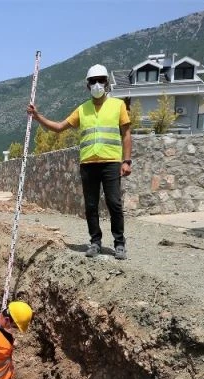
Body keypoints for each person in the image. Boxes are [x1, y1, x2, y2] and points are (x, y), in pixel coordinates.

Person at [27, 64, 132, 260]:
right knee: (90, 205)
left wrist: (127, 161)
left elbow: (126, 134)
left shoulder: (118, 105)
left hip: (111, 162)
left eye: (101, 80)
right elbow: (59, 127)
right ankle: (95, 242)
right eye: (93, 81)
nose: (97, 84)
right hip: (88, 164)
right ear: (87, 85)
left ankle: (119, 243)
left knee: (114, 203)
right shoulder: (82, 109)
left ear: (107, 83)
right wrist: (37, 116)